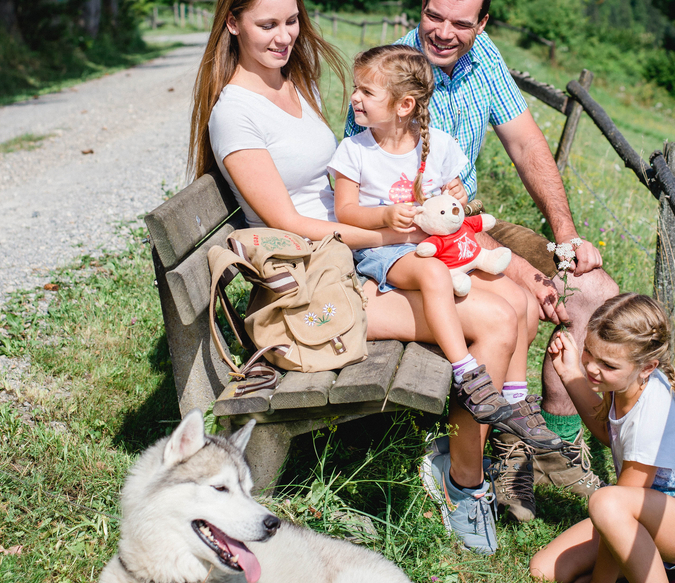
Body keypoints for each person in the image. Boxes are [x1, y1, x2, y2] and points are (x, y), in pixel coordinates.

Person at [187, 0, 542, 555]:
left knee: (517, 300)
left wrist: (416, 217)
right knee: (495, 320)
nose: (284, 37)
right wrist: (394, 237)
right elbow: (287, 222)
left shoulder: (290, 86)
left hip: (343, 261)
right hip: (309, 286)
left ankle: (481, 443)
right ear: (232, 24)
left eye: (291, 21)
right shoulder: (235, 112)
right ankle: (463, 483)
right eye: (267, 25)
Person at [344, 0, 620, 521]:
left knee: (592, 290)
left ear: (483, 25)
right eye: (434, 15)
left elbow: (525, 144)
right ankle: (501, 449)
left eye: (461, 23)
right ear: (419, 8)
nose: (444, 32)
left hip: (471, 221)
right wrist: (519, 269)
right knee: (523, 297)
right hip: (424, 239)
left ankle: (551, 449)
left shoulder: (483, 57)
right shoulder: (392, 75)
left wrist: (565, 238)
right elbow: (395, 211)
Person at [328, 44, 560, 452]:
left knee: (518, 296)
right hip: (388, 253)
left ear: (404, 106)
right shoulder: (355, 151)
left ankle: (517, 397)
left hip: (442, 245)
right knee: (434, 273)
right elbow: (345, 211)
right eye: (356, 88)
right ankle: (468, 373)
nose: (354, 99)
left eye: (366, 92)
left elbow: (451, 201)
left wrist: (456, 192)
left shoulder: (438, 145)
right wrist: (384, 217)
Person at [528, 293, 675, 583]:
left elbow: (619, 508)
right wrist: (569, 374)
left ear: (647, 367)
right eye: (589, 353)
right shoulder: (626, 382)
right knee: (544, 569)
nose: (593, 368)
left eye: (608, 365)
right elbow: (607, 429)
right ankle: (662, 571)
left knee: (606, 503)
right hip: (648, 511)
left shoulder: (653, 411)